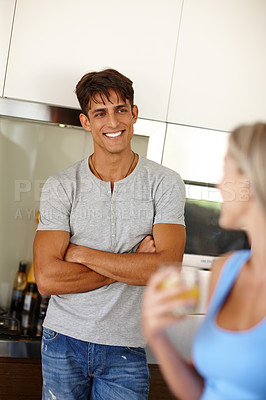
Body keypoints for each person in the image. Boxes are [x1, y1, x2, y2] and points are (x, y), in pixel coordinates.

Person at [33, 68, 186, 400]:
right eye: (100, 113)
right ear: (86, 122)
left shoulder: (164, 183)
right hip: (63, 340)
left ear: (134, 114)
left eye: (120, 109)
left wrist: (81, 253)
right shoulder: (62, 186)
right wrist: (134, 265)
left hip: (126, 347)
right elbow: (46, 279)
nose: (112, 122)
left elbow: (166, 269)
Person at [141, 123, 266, 400]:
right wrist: (157, 335)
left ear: (252, 178)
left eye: (226, 170)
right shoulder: (227, 270)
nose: (219, 184)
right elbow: (203, 390)